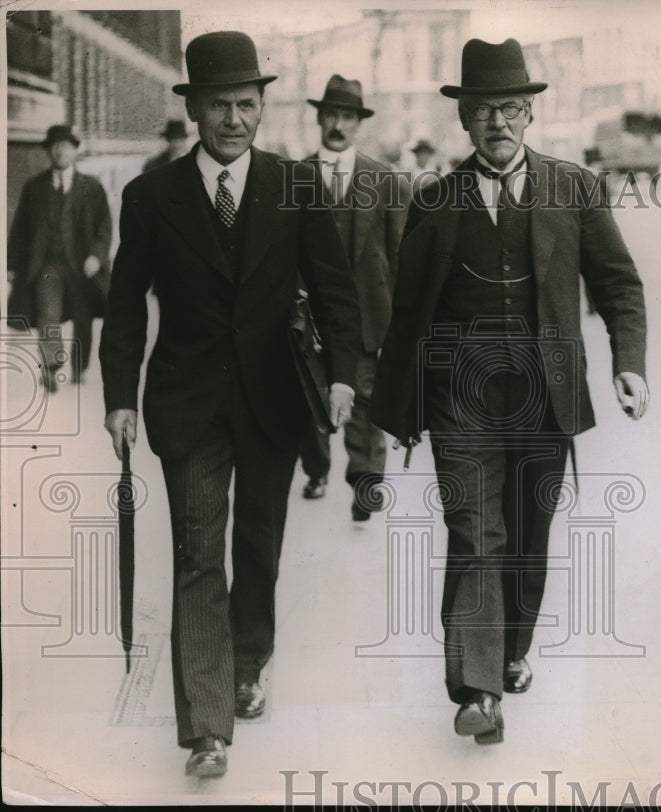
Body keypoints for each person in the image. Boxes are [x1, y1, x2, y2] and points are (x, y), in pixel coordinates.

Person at [371, 37, 649, 744]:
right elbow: (409, 313)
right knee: (474, 534)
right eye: (482, 110)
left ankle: (511, 648)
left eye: (510, 108)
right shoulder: (434, 202)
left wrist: (628, 362)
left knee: (527, 533)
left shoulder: (574, 189)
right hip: (459, 394)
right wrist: (399, 405)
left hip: (544, 392)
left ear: (530, 113)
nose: (497, 122)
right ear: (464, 118)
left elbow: (619, 284)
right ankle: (477, 689)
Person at [99, 30, 361, 778]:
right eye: (220, 105)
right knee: (196, 554)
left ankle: (249, 663)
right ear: (195, 110)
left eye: (247, 104)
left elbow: (337, 294)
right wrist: (119, 397)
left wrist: (342, 377)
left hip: (275, 400)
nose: (235, 119)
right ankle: (207, 728)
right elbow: (124, 305)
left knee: (258, 546)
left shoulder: (295, 185)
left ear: (262, 107)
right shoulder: (150, 197)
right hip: (187, 404)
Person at [298, 74, 410, 519]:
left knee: (364, 398)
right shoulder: (294, 177)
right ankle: (317, 471)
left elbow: (398, 254)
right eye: (331, 115)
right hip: (310, 318)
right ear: (320, 119)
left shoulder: (384, 180)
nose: (338, 125)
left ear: (358, 123)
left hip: (366, 316)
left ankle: (365, 483)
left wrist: (399, 321)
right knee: (311, 396)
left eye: (347, 116)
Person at [6, 125, 111, 390]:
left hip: (81, 266)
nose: (60, 151)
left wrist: (96, 256)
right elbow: (20, 229)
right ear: (48, 151)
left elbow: (104, 227)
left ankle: (79, 367)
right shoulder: (35, 187)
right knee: (48, 314)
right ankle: (51, 366)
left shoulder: (91, 187)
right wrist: (12, 265)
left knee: (83, 317)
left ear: (75, 151)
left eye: (65, 146)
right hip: (47, 265)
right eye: (54, 146)